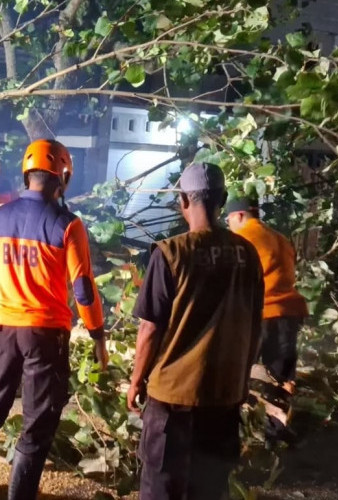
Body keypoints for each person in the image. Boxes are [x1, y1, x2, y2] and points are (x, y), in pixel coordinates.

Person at [0, 139, 109, 500]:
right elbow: (84, 290)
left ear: (26, 175)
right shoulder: (68, 225)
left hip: (3, 328)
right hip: (45, 334)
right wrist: (97, 334)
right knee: (38, 418)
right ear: (63, 177)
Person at [127, 163, 264, 500]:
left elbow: (149, 329)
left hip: (173, 401)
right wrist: (242, 380)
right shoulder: (247, 254)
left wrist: (136, 380)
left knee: (162, 487)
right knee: (209, 490)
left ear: (183, 202)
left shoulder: (170, 253)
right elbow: (256, 325)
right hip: (223, 397)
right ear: (223, 199)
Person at [226, 197, 308, 442]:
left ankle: (236, 433)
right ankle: (275, 435)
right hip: (289, 312)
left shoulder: (243, 239)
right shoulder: (281, 239)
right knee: (279, 379)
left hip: (261, 315)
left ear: (239, 216)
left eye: (228, 219)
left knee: (236, 373)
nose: (229, 224)